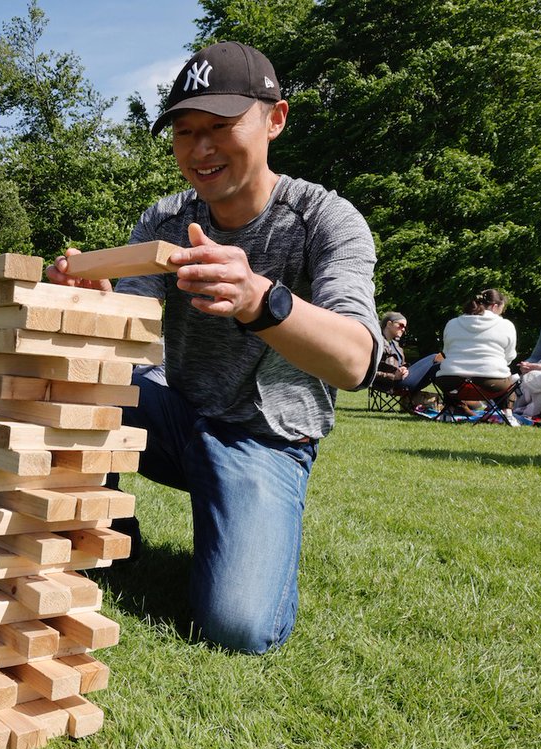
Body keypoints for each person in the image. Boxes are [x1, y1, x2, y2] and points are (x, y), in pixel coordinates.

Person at [49, 42, 380, 654]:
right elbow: (132, 338)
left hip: (264, 440)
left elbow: (356, 359)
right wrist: (94, 302)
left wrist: (261, 299)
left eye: (221, 128)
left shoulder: (325, 219)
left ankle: (241, 523)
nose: (201, 149)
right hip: (176, 416)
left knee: (238, 627)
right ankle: (105, 531)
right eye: (185, 131)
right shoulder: (165, 219)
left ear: (275, 119)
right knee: (74, 386)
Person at [435, 289, 518, 413]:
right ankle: (507, 413)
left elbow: (446, 352)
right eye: (502, 309)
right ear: (495, 306)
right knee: (512, 378)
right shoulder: (506, 325)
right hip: (491, 383)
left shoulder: (452, 323)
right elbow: (509, 356)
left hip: (452, 381)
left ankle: (449, 410)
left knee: (445, 371)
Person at [372, 311, 440, 406]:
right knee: (435, 357)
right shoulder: (376, 343)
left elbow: (401, 364)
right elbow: (369, 373)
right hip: (393, 383)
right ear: (389, 324)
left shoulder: (396, 345)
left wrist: (404, 368)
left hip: (403, 379)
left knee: (436, 366)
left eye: (405, 327)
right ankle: (456, 401)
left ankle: (453, 401)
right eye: (400, 325)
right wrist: (393, 377)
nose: (403, 329)